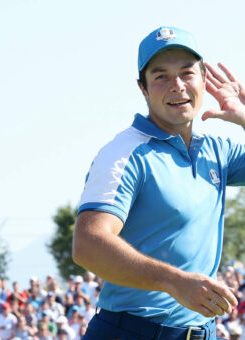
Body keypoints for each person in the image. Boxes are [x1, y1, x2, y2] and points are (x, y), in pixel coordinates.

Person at [73, 26, 245, 340]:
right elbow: (88, 244)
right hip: (131, 333)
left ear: (204, 79)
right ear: (143, 88)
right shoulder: (124, 153)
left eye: (186, 73)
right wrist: (174, 281)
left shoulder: (218, 151)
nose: (177, 86)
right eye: (161, 76)